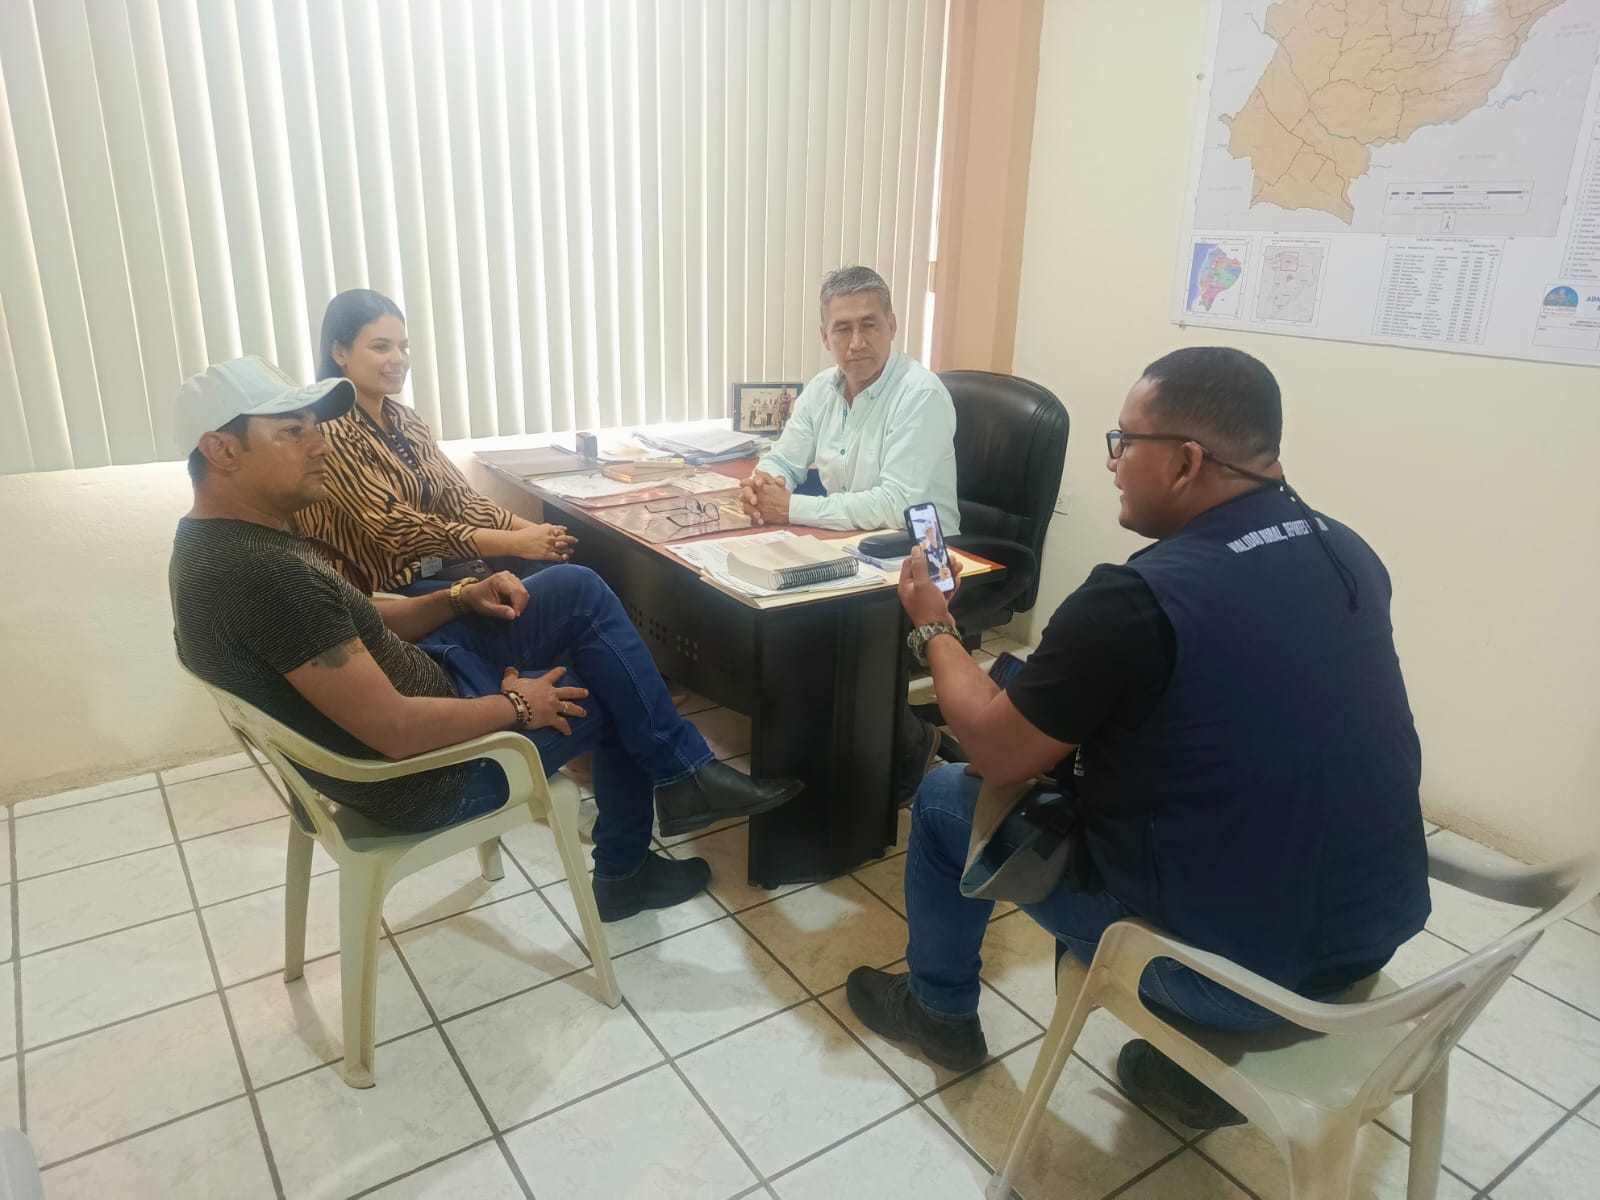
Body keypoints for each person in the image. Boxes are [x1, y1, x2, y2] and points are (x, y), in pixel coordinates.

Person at [845, 347, 1430, 1129]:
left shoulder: (1136, 599)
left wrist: (935, 626)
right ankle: (1194, 1077)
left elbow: (995, 751)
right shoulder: (1345, 549)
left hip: (1226, 981)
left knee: (950, 796)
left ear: (1186, 462)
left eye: (1124, 441)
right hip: (1370, 941)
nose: (1113, 463)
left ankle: (937, 1011)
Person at [170, 357, 802, 922]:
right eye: (292, 432)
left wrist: (457, 597)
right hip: (429, 776)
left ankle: (685, 775)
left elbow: (362, 623)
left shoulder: (215, 542)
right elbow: (396, 730)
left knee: (576, 588)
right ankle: (630, 865)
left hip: (435, 678)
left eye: (315, 427)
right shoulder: (263, 577)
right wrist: (519, 707)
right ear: (221, 450)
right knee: (612, 688)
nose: (320, 446)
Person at [293, 289, 575, 594]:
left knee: (561, 570)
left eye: (403, 347)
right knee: (573, 586)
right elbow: (397, 529)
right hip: (380, 592)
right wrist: (516, 542)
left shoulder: (405, 419)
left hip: (433, 569)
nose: (398, 359)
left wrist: (541, 534)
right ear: (340, 353)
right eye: (381, 347)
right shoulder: (327, 429)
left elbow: (460, 500)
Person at [737, 266, 960, 535]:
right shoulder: (821, 390)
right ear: (825, 337)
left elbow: (897, 504)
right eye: (843, 329)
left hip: (917, 551)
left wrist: (790, 508)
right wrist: (761, 489)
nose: (857, 343)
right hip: (846, 542)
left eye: (869, 326)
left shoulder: (920, 395)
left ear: (891, 326)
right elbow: (783, 460)